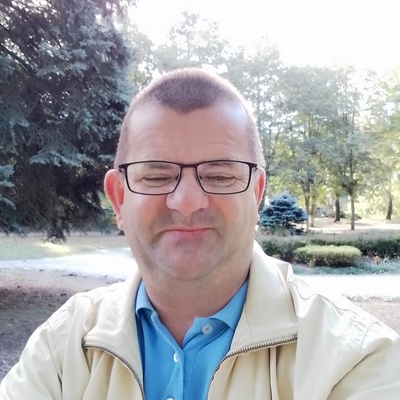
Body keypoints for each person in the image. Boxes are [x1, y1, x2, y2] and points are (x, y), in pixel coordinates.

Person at [1, 68, 400, 400]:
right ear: (119, 199)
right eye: (156, 175)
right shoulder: (61, 350)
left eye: (220, 175)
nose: (188, 201)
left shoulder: (354, 359)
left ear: (256, 194)